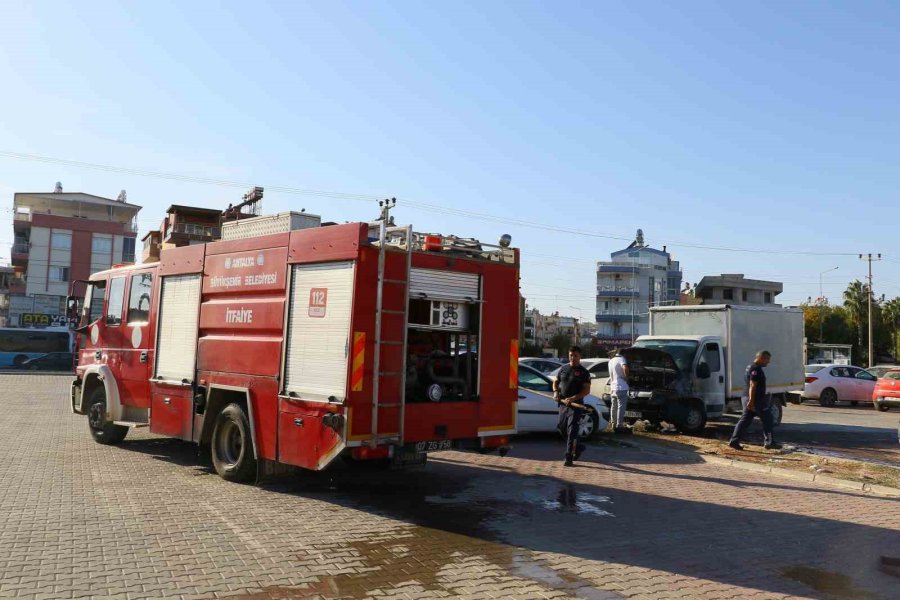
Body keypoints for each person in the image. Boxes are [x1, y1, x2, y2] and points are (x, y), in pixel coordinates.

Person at [729, 350, 782, 450]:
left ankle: (734, 441)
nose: (768, 362)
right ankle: (769, 442)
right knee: (768, 419)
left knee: (745, 421)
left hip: (751, 399)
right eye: (767, 359)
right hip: (756, 400)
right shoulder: (756, 369)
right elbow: (753, 386)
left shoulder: (751, 367)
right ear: (761, 358)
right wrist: (751, 401)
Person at [553, 345, 592, 467]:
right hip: (563, 405)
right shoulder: (563, 369)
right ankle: (579, 447)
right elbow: (555, 382)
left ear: (580, 357)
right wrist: (555, 392)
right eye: (571, 355)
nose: (573, 358)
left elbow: (586, 391)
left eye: (575, 356)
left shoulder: (584, 373)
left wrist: (573, 398)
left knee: (572, 431)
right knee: (562, 428)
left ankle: (568, 457)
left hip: (576, 405)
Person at [607, 348, 631, 434]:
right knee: (621, 407)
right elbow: (625, 368)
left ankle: (613, 424)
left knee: (614, 406)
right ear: (623, 354)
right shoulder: (622, 359)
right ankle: (619, 425)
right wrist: (626, 377)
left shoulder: (611, 361)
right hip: (621, 386)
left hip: (613, 387)